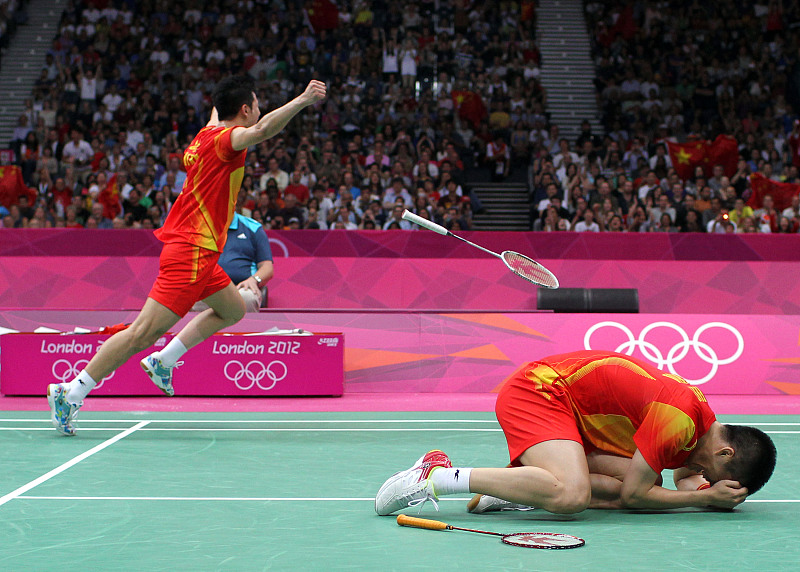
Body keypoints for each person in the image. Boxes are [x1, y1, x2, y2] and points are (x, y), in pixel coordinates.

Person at [47, 75, 326, 436]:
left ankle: (164, 360)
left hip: (201, 253)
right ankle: (71, 392)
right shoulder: (228, 140)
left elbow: (221, 109)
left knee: (233, 309)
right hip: (191, 251)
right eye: (255, 104)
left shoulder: (205, 133)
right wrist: (302, 99)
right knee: (140, 334)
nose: (258, 110)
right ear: (245, 110)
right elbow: (260, 131)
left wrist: (228, 83)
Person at [375, 350, 776, 516]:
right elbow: (637, 496)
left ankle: (506, 490)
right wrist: (701, 504)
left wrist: (710, 494)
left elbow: (680, 479)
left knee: (645, 478)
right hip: (540, 391)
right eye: (715, 478)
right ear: (724, 454)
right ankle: (435, 476)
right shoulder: (680, 418)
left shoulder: (704, 430)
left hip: (572, 417)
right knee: (573, 495)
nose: (705, 480)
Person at [191, 212, 274, 313]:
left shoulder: (253, 228)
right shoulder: (201, 229)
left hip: (243, 286)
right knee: (193, 301)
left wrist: (254, 280)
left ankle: (245, 329)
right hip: (210, 286)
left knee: (247, 298)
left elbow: (267, 267)